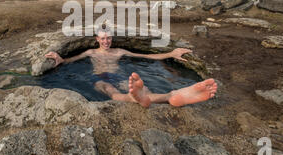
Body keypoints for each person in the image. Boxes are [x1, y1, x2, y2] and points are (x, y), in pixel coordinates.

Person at [45, 27, 217, 108]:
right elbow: (70, 60)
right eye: (103, 39)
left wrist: (170, 54)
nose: (106, 42)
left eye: (109, 38)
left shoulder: (119, 51)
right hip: (99, 78)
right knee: (111, 91)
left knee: (144, 90)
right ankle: (168, 95)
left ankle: (169, 96)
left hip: (119, 76)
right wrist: (61, 59)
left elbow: (147, 56)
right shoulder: (90, 52)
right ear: (97, 39)